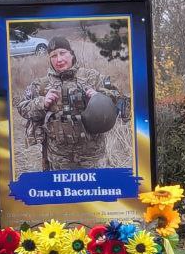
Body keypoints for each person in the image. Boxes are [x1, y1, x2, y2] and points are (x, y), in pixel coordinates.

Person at [15, 36, 128, 171]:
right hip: (58, 159)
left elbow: (119, 99)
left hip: (93, 157)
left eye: (62, 53)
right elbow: (21, 107)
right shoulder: (41, 85)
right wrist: (41, 103)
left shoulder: (92, 77)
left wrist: (100, 96)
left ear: (71, 54)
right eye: (53, 56)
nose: (59, 59)